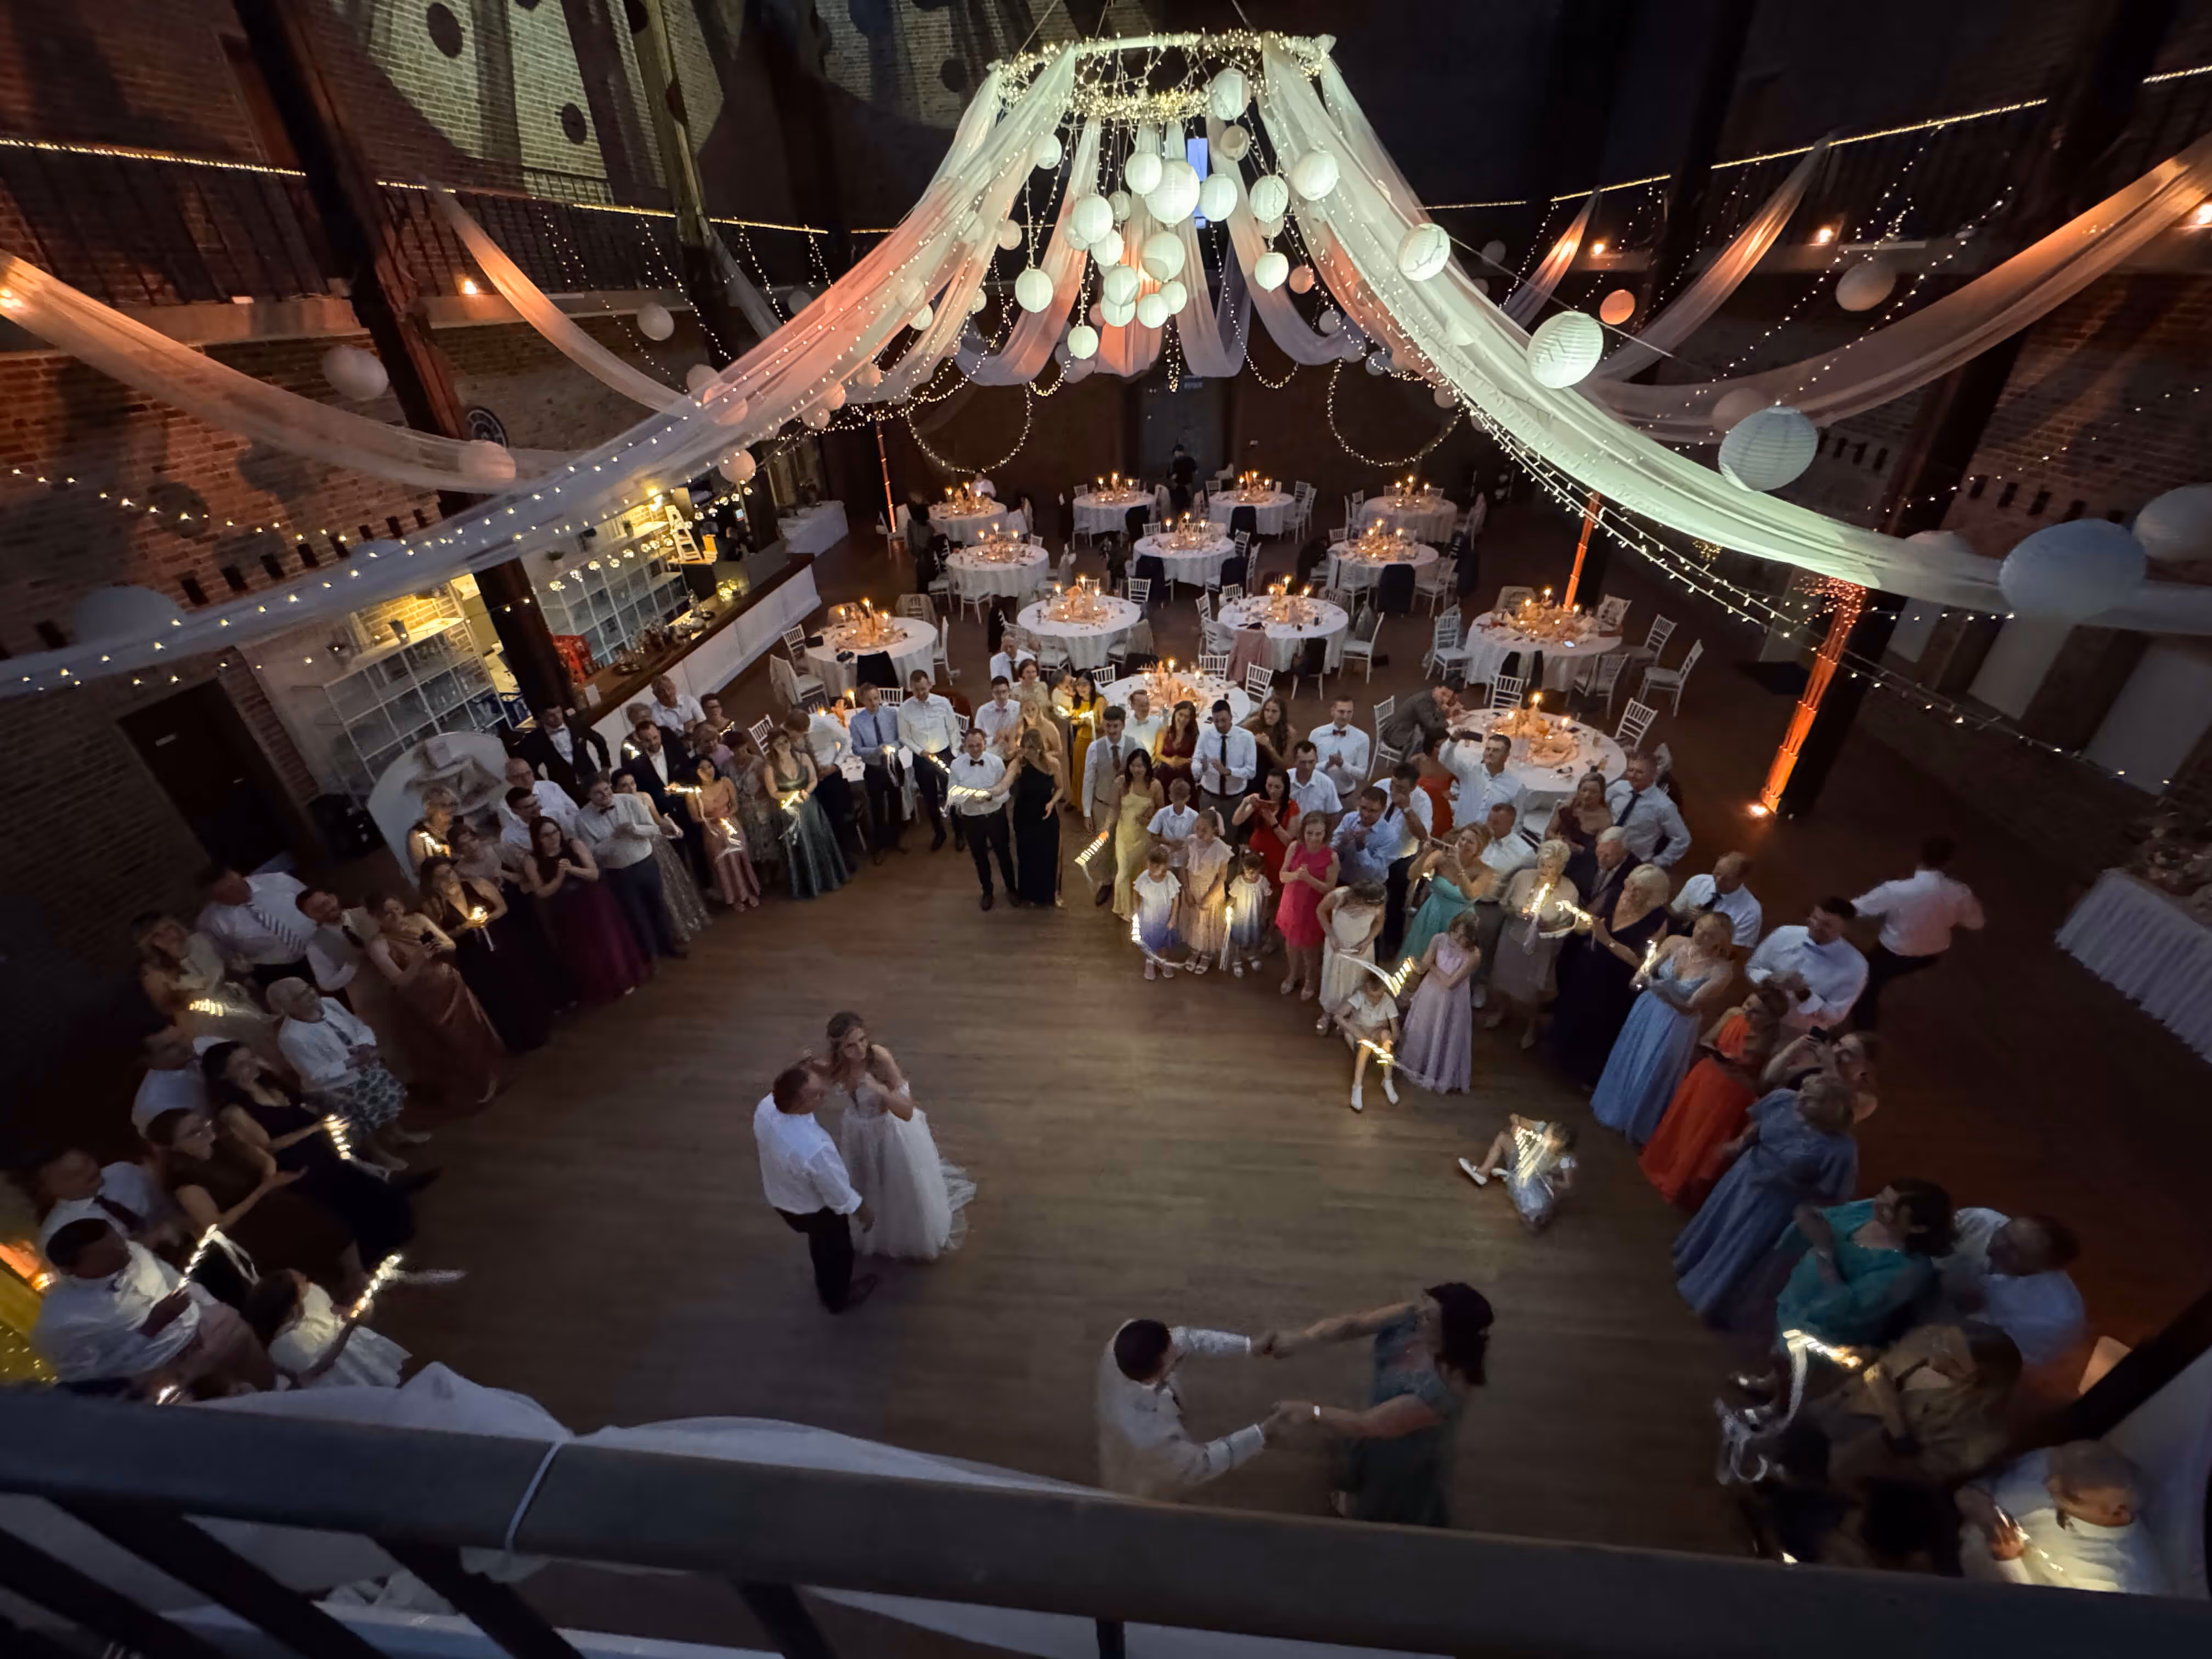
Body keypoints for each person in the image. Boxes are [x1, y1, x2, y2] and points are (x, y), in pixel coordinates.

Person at [1267, 1283, 1493, 1527]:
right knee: (1361, 1461)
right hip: (1379, 1415)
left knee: (1384, 1506)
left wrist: (1311, 1412)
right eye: (1425, 1305)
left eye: (1429, 1316)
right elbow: (1353, 1325)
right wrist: (1304, 1339)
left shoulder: (1447, 1389)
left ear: (1450, 1334)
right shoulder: (1412, 1317)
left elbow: (1369, 1424)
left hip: (1405, 1449)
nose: (1419, 1314)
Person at [1672, 1074, 1859, 1323]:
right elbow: (1759, 1124)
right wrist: (1740, 1144)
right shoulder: (1783, 1100)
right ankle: (1692, 1264)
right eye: (1804, 1089)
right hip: (1745, 1176)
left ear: (1831, 1110)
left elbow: (1832, 1194)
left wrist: (1806, 1219)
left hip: (1777, 1202)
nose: (1801, 1097)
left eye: (1811, 1098)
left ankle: (1709, 1299)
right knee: (1720, 1225)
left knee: (1740, 1246)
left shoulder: (1841, 1149)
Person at [202, 1041, 416, 1256]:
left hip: (320, 1153)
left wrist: (327, 1100)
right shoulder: (234, 1111)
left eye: (251, 1057)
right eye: (241, 1064)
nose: (252, 1065)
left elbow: (300, 1101)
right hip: (300, 1168)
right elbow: (269, 1146)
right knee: (360, 1204)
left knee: (378, 1193)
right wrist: (315, 1128)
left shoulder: (269, 1083)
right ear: (223, 1076)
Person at [145, 1106, 368, 1304]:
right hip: (245, 1226)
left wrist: (270, 1179)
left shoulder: (224, 1141)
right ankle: (328, 1297)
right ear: (175, 1146)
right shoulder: (184, 1180)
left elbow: (265, 1159)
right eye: (194, 1132)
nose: (205, 1130)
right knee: (300, 1232)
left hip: (269, 1201)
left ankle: (355, 1277)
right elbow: (216, 1225)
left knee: (325, 1214)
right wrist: (265, 1189)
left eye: (203, 1122)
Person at [34, 1218, 273, 1396]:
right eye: (108, 1253)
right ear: (69, 1270)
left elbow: (174, 1278)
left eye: (118, 1241)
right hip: (170, 1373)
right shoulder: (61, 1323)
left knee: (271, 1387)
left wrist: (214, 1308)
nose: (123, 1251)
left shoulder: (131, 1250)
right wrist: (150, 1328)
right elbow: (89, 1376)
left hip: (215, 1327)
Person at [812, 1012, 973, 1261]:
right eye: (851, 1046)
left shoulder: (879, 1059)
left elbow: (907, 1110)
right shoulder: (839, 1064)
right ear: (839, 1049)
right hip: (858, 1132)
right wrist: (808, 1065)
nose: (860, 1049)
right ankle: (878, 1232)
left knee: (900, 1183)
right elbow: (829, 1072)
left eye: (863, 1040)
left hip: (889, 1132)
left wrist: (878, 1090)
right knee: (869, 1183)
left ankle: (910, 1235)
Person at [1097, 1317, 1288, 1500]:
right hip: (1145, 1473)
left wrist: (1247, 1346)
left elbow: (1188, 1339)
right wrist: (1263, 1433)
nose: (1179, 1351)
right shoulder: (1149, 1436)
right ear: (1152, 1379)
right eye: (1172, 1363)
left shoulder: (1128, 1341)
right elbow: (1203, 1463)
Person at [1590, 910, 1738, 1144]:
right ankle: (1614, 1107)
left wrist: (1661, 987)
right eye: (1700, 927)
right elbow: (1649, 966)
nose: (1700, 935)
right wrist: (1640, 977)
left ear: (1721, 942)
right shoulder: (1675, 942)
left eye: (1710, 935)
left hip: (1677, 1022)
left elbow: (1690, 1006)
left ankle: (1637, 1122)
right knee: (1632, 1055)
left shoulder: (1721, 971)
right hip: (1649, 1008)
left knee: (1654, 1066)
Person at [1638, 984, 1790, 1209]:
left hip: (1733, 1094)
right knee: (1684, 1127)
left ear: (1771, 1018)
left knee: (1703, 1140)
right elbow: (1707, 1040)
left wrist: (1741, 1072)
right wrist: (1719, 1054)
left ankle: (1682, 1186)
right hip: (1707, 1077)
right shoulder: (1733, 1015)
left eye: (1756, 1011)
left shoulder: (1776, 1042)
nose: (1747, 1012)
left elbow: (1766, 1083)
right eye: (1748, 1005)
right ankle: (1662, 1167)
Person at [1957, 1442, 2167, 1594]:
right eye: (2053, 1471)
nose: (2049, 1485)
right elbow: (1969, 1490)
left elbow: (2047, 1622)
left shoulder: (2117, 1582)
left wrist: (2009, 1562)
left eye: (2070, 1494)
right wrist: (1984, 1512)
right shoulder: (2059, 1466)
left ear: (2118, 1513)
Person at [362, 895, 506, 1110]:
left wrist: (441, 948)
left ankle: (494, 1077)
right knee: (449, 1042)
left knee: (472, 1030)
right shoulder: (378, 944)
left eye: (397, 909)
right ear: (376, 919)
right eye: (387, 914)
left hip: (449, 985)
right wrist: (420, 959)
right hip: (423, 1000)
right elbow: (400, 981)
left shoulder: (419, 919)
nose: (396, 916)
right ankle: (471, 1090)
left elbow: (451, 944)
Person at [1772, 1180, 1956, 1349]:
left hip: (1821, 1338)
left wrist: (1825, 1251)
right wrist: (1810, 1216)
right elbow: (1830, 1218)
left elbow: (1849, 1313)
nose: (1876, 1207)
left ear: (1918, 1228)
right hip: (1791, 1303)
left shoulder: (1909, 1271)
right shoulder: (1869, 1210)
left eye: (1889, 1209)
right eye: (1880, 1197)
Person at [754, 1063, 876, 1312]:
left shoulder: (766, 1107)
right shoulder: (814, 1148)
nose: (824, 1095)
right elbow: (837, 1192)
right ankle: (837, 1297)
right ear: (799, 1104)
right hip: (814, 1210)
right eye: (817, 1095)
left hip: (782, 1196)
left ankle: (828, 1283)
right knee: (836, 1250)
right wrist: (862, 1209)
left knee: (820, 1243)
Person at [1548, 862, 1674, 1087]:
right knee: (1573, 1008)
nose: (1631, 893)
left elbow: (1644, 964)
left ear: (1654, 896)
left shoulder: (1659, 920)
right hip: (1588, 965)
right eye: (1631, 885)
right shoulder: (1613, 895)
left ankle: (1587, 1073)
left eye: (1640, 891)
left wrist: (1608, 941)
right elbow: (1584, 922)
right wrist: (1583, 925)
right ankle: (1559, 1057)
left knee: (1601, 1024)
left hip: (1616, 982)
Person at [267, 977, 419, 1160]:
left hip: (366, 1067)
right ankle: (379, 1155)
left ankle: (398, 1136)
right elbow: (315, 1074)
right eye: (302, 995)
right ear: (288, 1006)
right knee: (361, 1125)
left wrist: (366, 1044)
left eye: (308, 988)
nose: (311, 994)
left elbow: (357, 1026)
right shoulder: (290, 1037)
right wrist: (352, 1062)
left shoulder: (329, 1003)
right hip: (340, 1087)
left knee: (384, 1106)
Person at [1851, 836, 1985, 1028]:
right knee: (1878, 978)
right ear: (1949, 863)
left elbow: (1859, 908)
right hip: (1929, 955)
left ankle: (1863, 1034)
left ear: (1920, 856)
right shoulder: (1961, 893)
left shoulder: (1898, 890)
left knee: (1867, 986)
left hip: (1893, 951)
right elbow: (1976, 923)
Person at [520, 814, 651, 1003]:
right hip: (565, 909)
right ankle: (601, 988)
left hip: (592, 900)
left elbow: (594, 874)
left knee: (608, 941)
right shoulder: (532, 860)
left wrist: (572, 870)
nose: (553, 837)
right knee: (584, 951)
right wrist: (559, 877)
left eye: (555, 832)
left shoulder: (574, 845)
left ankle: (624, 980)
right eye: (546, 835)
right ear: (537, 839)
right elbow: (541, 892)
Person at [1938, 1211, 2087, 1373]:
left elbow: (2008, 1357)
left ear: (2044, 1268)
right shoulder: (1978, 1220)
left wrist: (1974, 1314)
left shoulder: (2056, 1319)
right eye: (2003, 1233)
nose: (1997, 1246)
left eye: (2014, 1250)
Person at [134, 911, 278, 1060]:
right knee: (236, 1057)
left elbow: (229, 965)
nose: (167, 937)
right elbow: (167, 1007)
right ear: (149, 942)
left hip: (234, 1004)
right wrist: (185, 991)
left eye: (168, 929)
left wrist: (240, 970)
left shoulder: (201, 941)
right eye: (157, 935)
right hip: (202, 1021)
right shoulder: (153, 971)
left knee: (265, 1046)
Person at [577, 776, 688, 961]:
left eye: (607, 789)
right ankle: (650, 955)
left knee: (659, 906)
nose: (605, 795)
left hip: (646, 863)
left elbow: (654, 829)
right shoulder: (582, 819)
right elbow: (593, 853)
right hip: (618, 873)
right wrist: (614, 838)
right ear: (588, 795)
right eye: (598, 792)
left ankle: (669, 946)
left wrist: (635, 829)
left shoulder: (629, 801)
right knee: (636, 915)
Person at [245, 1267, 410, 1389]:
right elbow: (320, 1367)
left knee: (392, 1380)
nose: (305, 1277)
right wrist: (349, 1327)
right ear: (291, 1304)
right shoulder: (283, 1345)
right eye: (300, 1283)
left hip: (355, 1350)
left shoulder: (311, 1294)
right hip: (340, 1375)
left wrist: (355, 1310)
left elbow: (334, 1311)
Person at [1483, 837, 1578, 1047]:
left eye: (1550, 867)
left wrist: (1547, 926)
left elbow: (1567, 926)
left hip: (1541, 947)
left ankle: (1531, 1026)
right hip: (1513, 937)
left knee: (1533, 988)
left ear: (1561, 868)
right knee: (1505, 978)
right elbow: (1504, 904)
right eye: (1541, 864)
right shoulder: (1522, 878)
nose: (1544, 870)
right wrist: (1517, 911)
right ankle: (1502, 1011)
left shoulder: (1569, 891)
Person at [613, 769, 711, 943]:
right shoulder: (617, 807)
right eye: (624, 785)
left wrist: (672, 826)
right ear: (616, 789)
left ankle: (679, 927)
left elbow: (657, 820)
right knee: (658, 893)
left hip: (658, 846)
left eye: (632, 783)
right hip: (638, 851)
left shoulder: (644, 796)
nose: (630, 788)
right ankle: (665, 933)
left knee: (670, 887)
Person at [1746, 899, 1869, 1033]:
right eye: (1815, 918)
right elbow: (1752, 968)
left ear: (1844, 929)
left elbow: (1835, 1016)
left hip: (1794, 1031)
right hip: (1753, 1015)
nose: (1816, 925)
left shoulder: (1856, 967)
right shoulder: (1785, 933)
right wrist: (1770, 978)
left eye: (1827, 925)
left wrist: (1804, 994)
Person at [1395, 912, 1483, 1096]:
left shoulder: (1474, 955)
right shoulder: (1439, 939)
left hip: (1453, 1000)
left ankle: (1437, 1070)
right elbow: (1422, 966)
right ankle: (1418, 1063)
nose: (1457, 939)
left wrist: (1431, 967)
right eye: (1456, 933)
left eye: (1463, 936)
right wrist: (1415, 965)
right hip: (1429, 992)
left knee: (1443, 1032)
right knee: (1424, 1026)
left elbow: (1451, 983)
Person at [760, 724, 851, 900]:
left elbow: (814, 780)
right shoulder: (770, 767)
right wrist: (791, 796)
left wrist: (806, 792)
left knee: (818, 839)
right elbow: (773, 792)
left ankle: (828, 878)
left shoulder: (802, 757)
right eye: (779, 744)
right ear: (772, 746)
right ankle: (807, 884)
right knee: (799, 845)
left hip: (809, 806)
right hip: (789, 809)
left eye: (786, 742)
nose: (785, 746)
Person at [34, 1147, 178, 1253]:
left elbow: (167, 1203)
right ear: (55, 1189)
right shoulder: (57, 1233)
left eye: (88, 1162)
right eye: (76, 1174)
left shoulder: (124, 1172)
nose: (91, 1172)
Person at [197, 864, 314, 991]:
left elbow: (314, 902)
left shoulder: (277, 881)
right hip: (278, 970)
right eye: (222, 895)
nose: (231, 896)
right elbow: (225, 957)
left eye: (232, 887)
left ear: (239, 876)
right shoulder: (210, 922)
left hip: (317, 946)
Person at [944, 723, 1019, 910]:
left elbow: (1006, 792)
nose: (975, 749)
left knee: (1004, 853)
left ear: (985, 744)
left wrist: (991, 797)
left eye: (979, 745)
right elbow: (951, 793)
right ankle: (987, 892)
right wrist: (968, 796)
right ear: (965, 747)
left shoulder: (996, 762)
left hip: (995, 815)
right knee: (980, 857)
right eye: (971, 746)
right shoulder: (957, 765)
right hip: (972, 819)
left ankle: (1011, 889)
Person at [1398, 826, 1492, 975]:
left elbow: (1470, 894)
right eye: (1462, 839)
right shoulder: (1441, 856)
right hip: (1433, 912)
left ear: (1480, 849)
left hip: (1459, 921)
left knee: (1443, 966)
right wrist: (1424, 854)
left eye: (1470, 842)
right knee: (1419, 956)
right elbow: (1411, 875)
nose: (1463, 844)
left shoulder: (1486, 871)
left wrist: (1458, 866)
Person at [1463, 801, 1534, 992]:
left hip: (1491, 907)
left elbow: (1523, 884)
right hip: (1464, 897)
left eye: (1497, 823)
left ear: (1511, 825)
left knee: (1483, 949)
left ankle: (1476, 988)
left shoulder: (1524, 853)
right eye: (1490, 821)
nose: (1490, 827)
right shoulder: (1478, 839)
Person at [1460, 1118, 1578, 1232]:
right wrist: (1517, 1127)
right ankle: (1489, 1174)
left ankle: (1490, 1174)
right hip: (1525, 1166)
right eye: (1545, 1136)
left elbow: (1567, 1185)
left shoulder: (1565, 1160)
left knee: (1533, 1215)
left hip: (1531, 1179)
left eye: (1549, 1144)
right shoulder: (1544, 1131)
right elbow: (1514, 1118)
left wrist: (1550, 1182)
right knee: (1504, 1138)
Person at [785, 706, 867, 868]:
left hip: (831, 777)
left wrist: (835, 766)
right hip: (808, 780)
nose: (797, 738)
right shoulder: (788, 728)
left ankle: (845, 858)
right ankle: (827, 860)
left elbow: (847, 741)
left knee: (837, 818)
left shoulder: (825, 724)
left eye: (799, 735)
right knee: (819, 821)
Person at [1276, 811, 1339, 1003]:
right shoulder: (1295, 847)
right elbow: (1282, 876)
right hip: (1291, 904)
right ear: (1303, 832)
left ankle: (1311, 981)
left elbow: (1330, 889)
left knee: (1309, 951)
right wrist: (1296, 875)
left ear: (1325, 834)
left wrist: (1309, 878)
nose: (1313, 838)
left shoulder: (1332, 857)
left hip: (1313, 909)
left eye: (1318, 834)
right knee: (1291, 945)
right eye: (1309, 833)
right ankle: (1293, 974)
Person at [684, 755, 762, 908]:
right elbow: (694, 818)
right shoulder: (693, 793)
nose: (707, 771)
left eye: (709, 766)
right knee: (723, 863)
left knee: (741, 858)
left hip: (731, 824)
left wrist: (728, 813)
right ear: (695, 772)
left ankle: (749, 892)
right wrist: (711, 819)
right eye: (702, 768)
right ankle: (735, 898)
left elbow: (735, 805)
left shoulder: (725, 782)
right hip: (712, 831)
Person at [1763, 1027, 1883, 1124]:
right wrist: (1790, 1051)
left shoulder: (1866, 1099)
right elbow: (1765, 1084)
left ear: (1866, 1069)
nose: (1836, 1052)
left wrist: (1831, 1069)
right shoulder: (1816, 1067)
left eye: (1849, 1054)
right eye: (1839, 1044)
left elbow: (1831, 1122)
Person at [897, 669, 961, 851]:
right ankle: (939, 833)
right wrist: (920, 751)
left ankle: (959, 833)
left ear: (930, 685)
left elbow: (953, 729)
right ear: (911, 688)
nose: (921, 694)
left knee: (952, 795)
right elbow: (904, 736)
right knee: (930, 799)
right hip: (922, 758)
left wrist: (954, 753)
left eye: (924, 689)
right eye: (917, 690)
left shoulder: (943, 703)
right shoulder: (905, 709)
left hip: (944, 753)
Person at [1316, 879, 1387, 1036]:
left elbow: (1379, 923)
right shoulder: (1338, 896)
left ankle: (1347, 1014)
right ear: (1360, 899)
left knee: (1356, 982)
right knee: (1334, 979)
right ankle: (1329, 1012)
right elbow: (1320, 911)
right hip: (1338, 946)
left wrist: (1368, 942)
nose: (1374, 909)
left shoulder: (1378, 904)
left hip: (1361, 950)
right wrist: (1332, 936)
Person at [1006, 726, 1067, 907]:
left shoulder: (1053, 764)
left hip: (1046, 813)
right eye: (1026, 747)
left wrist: (1052, 803)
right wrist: (994, 791)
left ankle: (1050, 894)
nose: (1029, 752)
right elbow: (1006, 782)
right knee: (1027, 855)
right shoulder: (1019, 763)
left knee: (1049, 854)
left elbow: (1060, 788)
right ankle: (1030, 894)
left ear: (1040, 748)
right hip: (1024, 815)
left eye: (1033, 748)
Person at [847, 683, 907, 862]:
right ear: (862, 701)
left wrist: (892, 747)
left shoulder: (891, 715)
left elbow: (901, 739)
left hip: (893, 765)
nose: (873, 703)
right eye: (869, 700)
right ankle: (880, 844)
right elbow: (857, 749)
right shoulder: (857, 722)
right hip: (873, 769)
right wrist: (875, 751)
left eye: (876, 698)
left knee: (896, 802)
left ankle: (895, 840)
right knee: (877, 807)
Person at [1604, 751, 1691, 869]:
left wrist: (1657, 862)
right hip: (1604, 850)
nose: (1633, 776)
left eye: (1640, 772)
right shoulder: (1619, 787)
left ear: (1653, 775)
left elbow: (1682, 839)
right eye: (1631, 770)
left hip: (1632, 862)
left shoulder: (1664, 806)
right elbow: (1603, 806)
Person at [1081, 706, 1136, 893]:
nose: (1111, 731)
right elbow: (1088, 780)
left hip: (1128, 807)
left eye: (1116, 726)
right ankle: (1107, 881)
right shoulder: (1094, 748)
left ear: (1123, 725)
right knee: (1105, 846)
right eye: (1108, 726)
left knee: (1127, 845)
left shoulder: (1135, 746)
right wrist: (1087, 812)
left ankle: (1124, 881)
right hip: (1103, 805)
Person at [1109, 748, 1166, 919]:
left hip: (1145, 836)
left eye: (1140, 766)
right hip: (1125, 834)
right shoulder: (1121, 783)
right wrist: (1106, 827)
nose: (1136, 770)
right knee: (1124, 872)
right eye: (1133, 766)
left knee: (1141, 870)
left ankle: (1140, 905)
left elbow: (1161, 809)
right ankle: (1125, 908)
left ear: (1148, 767)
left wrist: (1150, 816)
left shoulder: (1155, 786)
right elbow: (1114, 808)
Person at [725, 728, 787, 887]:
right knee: (751, 842)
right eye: (733, 748)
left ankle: (776, 871)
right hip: (742, 810)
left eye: (740, 747)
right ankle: (760, 873)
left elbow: (768, 786)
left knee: (767, 840)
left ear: (746, 745)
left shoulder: (758, 763)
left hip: (761, 808)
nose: (738, 751)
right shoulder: (727, 766)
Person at [516, 703, 612, 803]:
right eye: (551, 715)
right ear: (542, 717)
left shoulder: (576, 725)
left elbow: (599, 741)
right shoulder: (535, 740)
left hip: (590, 777)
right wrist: (546, 788)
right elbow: (531, 768)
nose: (557, 717)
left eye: (558, 712)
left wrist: (605, 767)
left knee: (605, 803)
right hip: (563, 787)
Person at [1671, 851, 1763, 953]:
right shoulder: (1698, 882)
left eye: (1727, 879)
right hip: (1675, 943)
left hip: (1710, 959)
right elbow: (1671, 914)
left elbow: (1737, 953)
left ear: (1742, 879)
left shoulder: (1750, 911)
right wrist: (1685, 914)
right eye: (1717, 874)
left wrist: (1713, 931)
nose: (1718, 882)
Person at [1178, 810, 1234, 973]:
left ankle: (1207, 954)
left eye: (1204, 830)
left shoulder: (1221, 849)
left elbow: (1222, 877)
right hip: (1193, 889)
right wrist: (1187, 891)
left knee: (1208, 925)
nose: (1199, 833)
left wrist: (1209, 897)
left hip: (1211, 892)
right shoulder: (1190, 842)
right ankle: (1195, 952)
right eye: (1197, 829)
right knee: (1195, 922)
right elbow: (1183, 867)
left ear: (1214, 830)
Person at [133, 1028, 213, 1135]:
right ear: (149, 1061)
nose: (185, 1045)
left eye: (182, 1036)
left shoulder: (207, 1043)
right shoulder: (152, 1107)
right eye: (170, 1047)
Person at [1231, 768, 1300, 890]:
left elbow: (1289, 841)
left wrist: (1273, 822)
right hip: (1255, 855)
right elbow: (1236, 821)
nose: (1272, 791)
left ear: (1285, 787)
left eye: (1278, 787)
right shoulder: (1261, 801)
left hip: (1276, 858)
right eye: (1270, 786)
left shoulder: (1292, 807)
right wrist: (1245, 802)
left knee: (1271, 893)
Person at [1330, 786, 1408, 893]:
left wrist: (1361, 849)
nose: (1366, 815)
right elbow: (1330, 850)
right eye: (1363, 808)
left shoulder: (1390, 837)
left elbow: (1374, 872)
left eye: (1373, 811)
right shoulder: (1349, 819)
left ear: (1383, 810)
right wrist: (1342, 842)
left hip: (1367, 889)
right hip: (1340, 880)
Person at [499, 755, 583, 852]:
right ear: (509, 780)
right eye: (519, 776)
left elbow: (574, 812)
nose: (526, 779)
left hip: (573, 840)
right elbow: (514, 836)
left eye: (528, 773)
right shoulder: (505, 807)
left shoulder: (551, 786)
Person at [1193, 698, 1258, 823]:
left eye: (1224, 720)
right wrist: (1200, 769)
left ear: (1231, 717)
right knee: (1205, 836)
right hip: (1208, 795)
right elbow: (1196, 761)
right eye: (1216, 721)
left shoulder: (1247, 738)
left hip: (1234, 798)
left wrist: (1228, 771)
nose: (1220, 725)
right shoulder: (1205, 736)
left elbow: (1251, 772)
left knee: (1230, 836)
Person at [1439, 730, 1523, 825]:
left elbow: (1516, 821)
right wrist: (1453, 741)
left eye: (1496, 750)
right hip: (1461, 833)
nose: (1490, 753)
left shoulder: (1515, 787)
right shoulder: (1469, 771)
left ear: (1506, 756)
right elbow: (1444, 759)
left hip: (1488, 838)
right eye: (1488, 749)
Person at [1131, 844, 1183, 979]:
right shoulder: (1144, 878)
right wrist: (1136, 910)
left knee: (1164, 942)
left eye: (1157, 867)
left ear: (1165, 867)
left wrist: (1173, 917)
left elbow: (1176, 898)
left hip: (1164, 918)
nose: (1152, 869)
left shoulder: (1170, 879)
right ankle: (1150, 961)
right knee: (1149, 941)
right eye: (1151, 865)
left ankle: (1162, 961)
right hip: (1148, 918)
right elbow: (1136, 893)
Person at [1221, 847, 1275, 978]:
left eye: (1254, 872)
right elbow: (1233, 898)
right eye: (1247, 871)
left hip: (1255, 917)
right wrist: (1226, 909)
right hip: (1240, 917)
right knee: (1239, 939)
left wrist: (1264, 914)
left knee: (1254, 938)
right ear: (1243, 868)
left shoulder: (1263, 882)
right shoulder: (1239, 882)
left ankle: (1252, 955)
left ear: (1260, 869)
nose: (1251, 874)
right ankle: (1237, 960)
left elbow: (1267, 898)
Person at [1054, 670, 1104, 809]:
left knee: (1092, 774)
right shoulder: (1075, 701)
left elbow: (1105, 727)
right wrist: (1076, 721)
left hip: (1095, 742)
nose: (1081, 688)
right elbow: (1072, 719)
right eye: (1079, 685)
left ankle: (1092, 805)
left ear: (1092, 685)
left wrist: (1089, 723)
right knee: (1079, 772)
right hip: (1080, 742)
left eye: (1085, 684)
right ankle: (1077, 800)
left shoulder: (1100, 701)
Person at [1307, 699, 1373, 803]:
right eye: (1341, 712)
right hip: (1319, 790)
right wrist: (1327, 764)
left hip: (1346, 794)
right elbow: (1308, 767)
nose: (1345, 716)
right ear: (1332, 711)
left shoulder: (1362, 738)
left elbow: (1361, 775)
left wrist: (1343, 764)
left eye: (1349, 712)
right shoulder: (1316, 734)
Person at [1544, 771, 1612, 868]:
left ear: (1601, 794)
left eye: (1593, 792)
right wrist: (1560, 842)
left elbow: (1598, 854)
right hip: (1556, 854)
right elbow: (1549, 832)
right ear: (1579, 790)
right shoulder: (1569, 806)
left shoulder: (1605, 820)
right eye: (1584, 790)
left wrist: (1576, 848)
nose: (1587, 795)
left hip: (1581, 865)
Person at [1378, 682, 1460, 755]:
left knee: (1435, 739)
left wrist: (1445, 712)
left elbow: (1434, 717)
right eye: (1443, 694)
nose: (1445, 699)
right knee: (1431, 743)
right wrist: (1451, 721)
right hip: (1397, 735)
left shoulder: (1431, 696)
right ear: (1436, 689)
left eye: (1448, 697)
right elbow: (1432, 724)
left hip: (1410, 729)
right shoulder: (1423, 701)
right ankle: (1419, 765)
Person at [1242, 694, 1294, 797]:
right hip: (1252, 770)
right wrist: (1252, 740)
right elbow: (1236, 744)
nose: (1270, 715)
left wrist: (1269, 747)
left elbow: (1286, 766)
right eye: (1267, 710)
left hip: (1273, 774)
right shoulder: (1252, 724)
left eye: (1274, 711)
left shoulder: (1288, 732)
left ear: (1281, 714)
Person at [1147, 775, 1202, 869]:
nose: (1179, 803)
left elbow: (1199, 838)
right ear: (1170, 797)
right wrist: (1169, 843)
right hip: (1165, 861)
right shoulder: (1162, 813)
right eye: (1176, 799)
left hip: (1186, 862)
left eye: (1182, 799)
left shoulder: (1194, 816)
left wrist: (1187, 843)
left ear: (1188, 798)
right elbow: (1153, 835)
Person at [1284, 740, 1343, 826]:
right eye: (1303, 762)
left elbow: (1333, 815)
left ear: (1317, 760)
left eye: (1311, 762)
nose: (1307, 767)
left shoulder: (1327, 783)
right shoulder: (1285, 778)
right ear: (1295, 761)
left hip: (1314, 835)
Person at [404, 786, 460, 873]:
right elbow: (421, 871)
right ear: (429, 808)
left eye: (452, 804)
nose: (449, 810)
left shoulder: (458, 824)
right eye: (443, 805)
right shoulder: (418, 834)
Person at [1154, 699, 1200, 800]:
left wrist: (1182, 761)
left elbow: (1196, 759)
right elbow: (1157, 754)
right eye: (1181, 715)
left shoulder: (1194, 736)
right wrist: (1169, 761)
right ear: (1175, 714)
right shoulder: (1165, 731)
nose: (1183, 719)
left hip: (1184, 778)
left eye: (1187, 717)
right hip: (1165, 776)